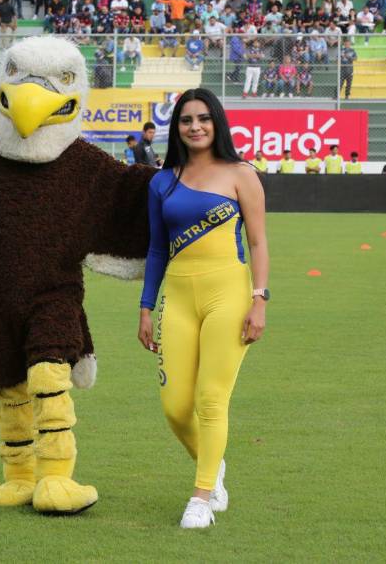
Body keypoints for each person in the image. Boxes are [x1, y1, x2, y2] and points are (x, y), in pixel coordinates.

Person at [137, 88, 268, 530]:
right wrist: (144, 306)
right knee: (175, 408)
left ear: (217, 123)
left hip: (228, 294)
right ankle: (214, 467)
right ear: (177, 127)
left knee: (211, 399)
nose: (195, 126)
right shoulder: (162, 181)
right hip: (177, 297)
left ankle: (201, 496)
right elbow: (156, 249)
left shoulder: (241, 174)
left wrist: (259, 300)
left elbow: (258, 242)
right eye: (187, 119)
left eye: (204, 118)